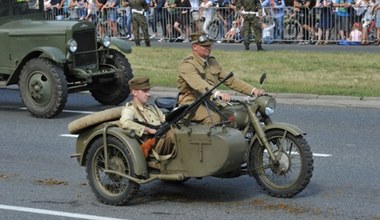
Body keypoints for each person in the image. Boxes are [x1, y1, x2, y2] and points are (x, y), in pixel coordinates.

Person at [177, 32, 265, 125]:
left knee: (236, 113)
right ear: (195, 47)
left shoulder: (212, 62)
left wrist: (253, 90)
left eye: (209, 45)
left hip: (209, 102)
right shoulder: (187, 64)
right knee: (214, 118)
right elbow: (199, 84)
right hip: (191, 104)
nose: (209, 48)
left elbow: (230, 80)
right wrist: (217, 93)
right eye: (205, 46)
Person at [119, 76, 175, 157]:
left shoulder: (152, 107)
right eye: (145, 91)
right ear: (135, 92)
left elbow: (165, 120)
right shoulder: (130, 110)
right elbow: (125, 122)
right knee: (173, 135)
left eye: (148, 90)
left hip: (162, 139)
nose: (148, 94)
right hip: (154, 146)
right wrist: (147, 129)